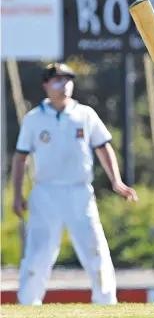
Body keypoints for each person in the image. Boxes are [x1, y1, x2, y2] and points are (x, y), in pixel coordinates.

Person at [12, 63, 137, 305]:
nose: (64, 85)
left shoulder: (85, 114)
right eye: (57, 80)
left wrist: (116, 180)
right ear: (46, 85)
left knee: (95, 249)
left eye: (68, 80)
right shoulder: (34, 118)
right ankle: (28, 303)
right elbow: (20, 158)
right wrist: (17, 195)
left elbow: (103, 146)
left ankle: (106, 302)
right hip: (45, 193)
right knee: (38, 253)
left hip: (79, 192)